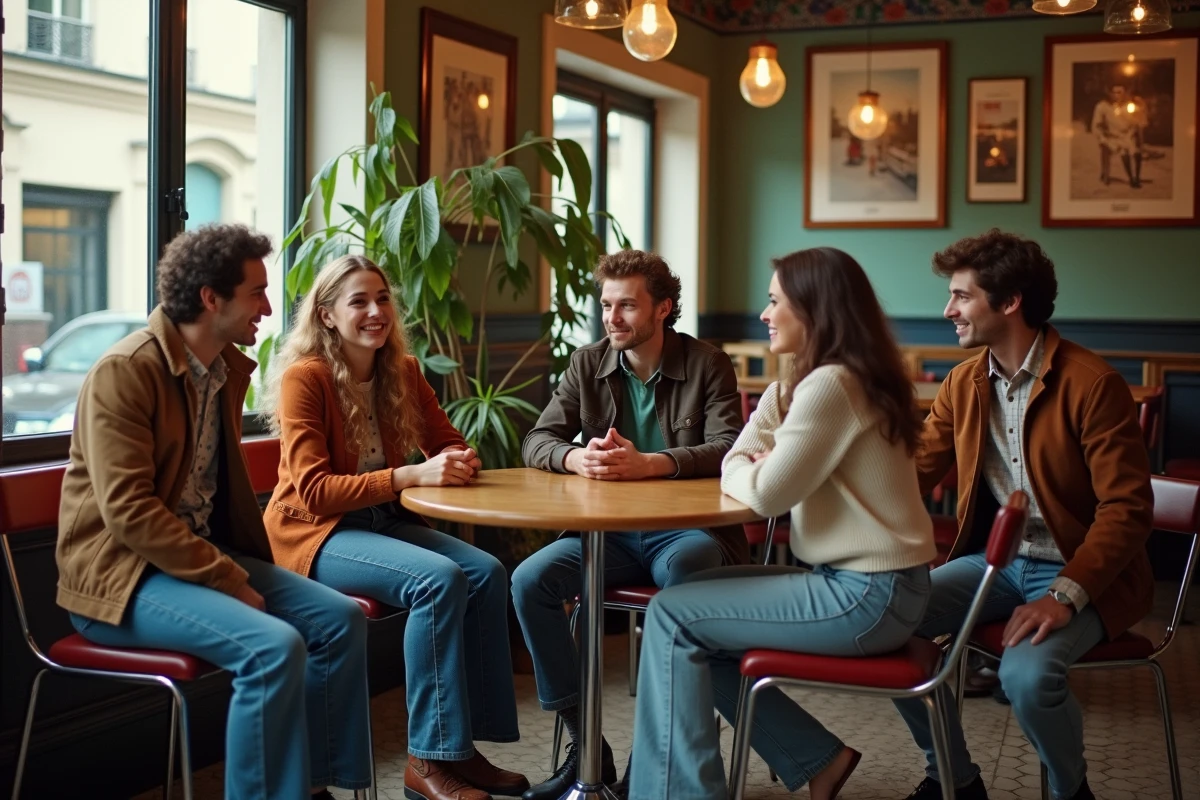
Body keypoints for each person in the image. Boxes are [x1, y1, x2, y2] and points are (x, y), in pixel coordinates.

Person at [56, 224, 371, 800]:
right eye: (256, 293)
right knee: (273, 648)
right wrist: (228, 578)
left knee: (339, 620)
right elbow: (130, 513)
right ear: (210, 297)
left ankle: (311, 786)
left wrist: (231, 569)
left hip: (198, 560)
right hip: (121, 579)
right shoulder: (125, 371)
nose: (269, 307)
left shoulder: (224, 370)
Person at [627, 247, 936, 800]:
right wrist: (774, 402)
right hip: (877, 587)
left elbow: (764, 492)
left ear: (814, 309)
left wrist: (747, 461)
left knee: (673, 615)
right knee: (683, 603)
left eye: (774, 301)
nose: (764, 314)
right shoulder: (832, 379)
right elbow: (744, 459)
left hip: (866, 594)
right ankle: (816, 758)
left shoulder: (832, 385)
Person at [895, 229, 1154, 800]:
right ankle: (954, 781)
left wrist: (1064, 595)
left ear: (1009, 302)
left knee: (1024, 678)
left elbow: (1128, 509)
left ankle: (1070, 790)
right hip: (997, 564)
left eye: (961, 296)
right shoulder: (963, 382)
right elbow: (912, 471)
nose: (948, 310)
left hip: (1083, 574)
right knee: (883, 625)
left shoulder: (1093, 383)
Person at [261, 255, 528, 800]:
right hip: (317, 531)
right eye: (358, 301)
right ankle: (427, 760)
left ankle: (459, 749)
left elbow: (446, 440)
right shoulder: (304, 379)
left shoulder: (401, 370)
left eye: (381, 299)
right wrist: (410, 473)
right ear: (328, 315)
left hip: (382, 520)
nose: (375, 311)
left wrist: (457, 459)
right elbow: (314, 491)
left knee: (485, 571)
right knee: (438, 580)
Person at [515, 249, 747, 799]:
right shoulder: (586, 363)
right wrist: (578, 458)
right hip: (609, 535)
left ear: (664, 308)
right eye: (606, 305)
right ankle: (586, 747)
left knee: (688, 578)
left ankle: (661, 761)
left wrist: (653, 463)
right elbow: (537, 441)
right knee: (529, 582)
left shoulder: (707, 362)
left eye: (627, 306)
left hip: (687, 531)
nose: (612, 318)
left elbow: (729, 447)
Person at [1091, 82, 1142, 188]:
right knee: (1124, 150)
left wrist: (1131, 135)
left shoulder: (1128, 106)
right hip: (1110, 138)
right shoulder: (1102, 106)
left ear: (1124, 93)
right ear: (1109, 93)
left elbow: (1134, 124)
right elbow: (1096, 126)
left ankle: (1136, 177)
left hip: (1126, 137)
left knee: (1136, 151)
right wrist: (1103, 139)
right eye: (1114, 92)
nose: (1116, 95)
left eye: (1119, 92)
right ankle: (1131, 179)